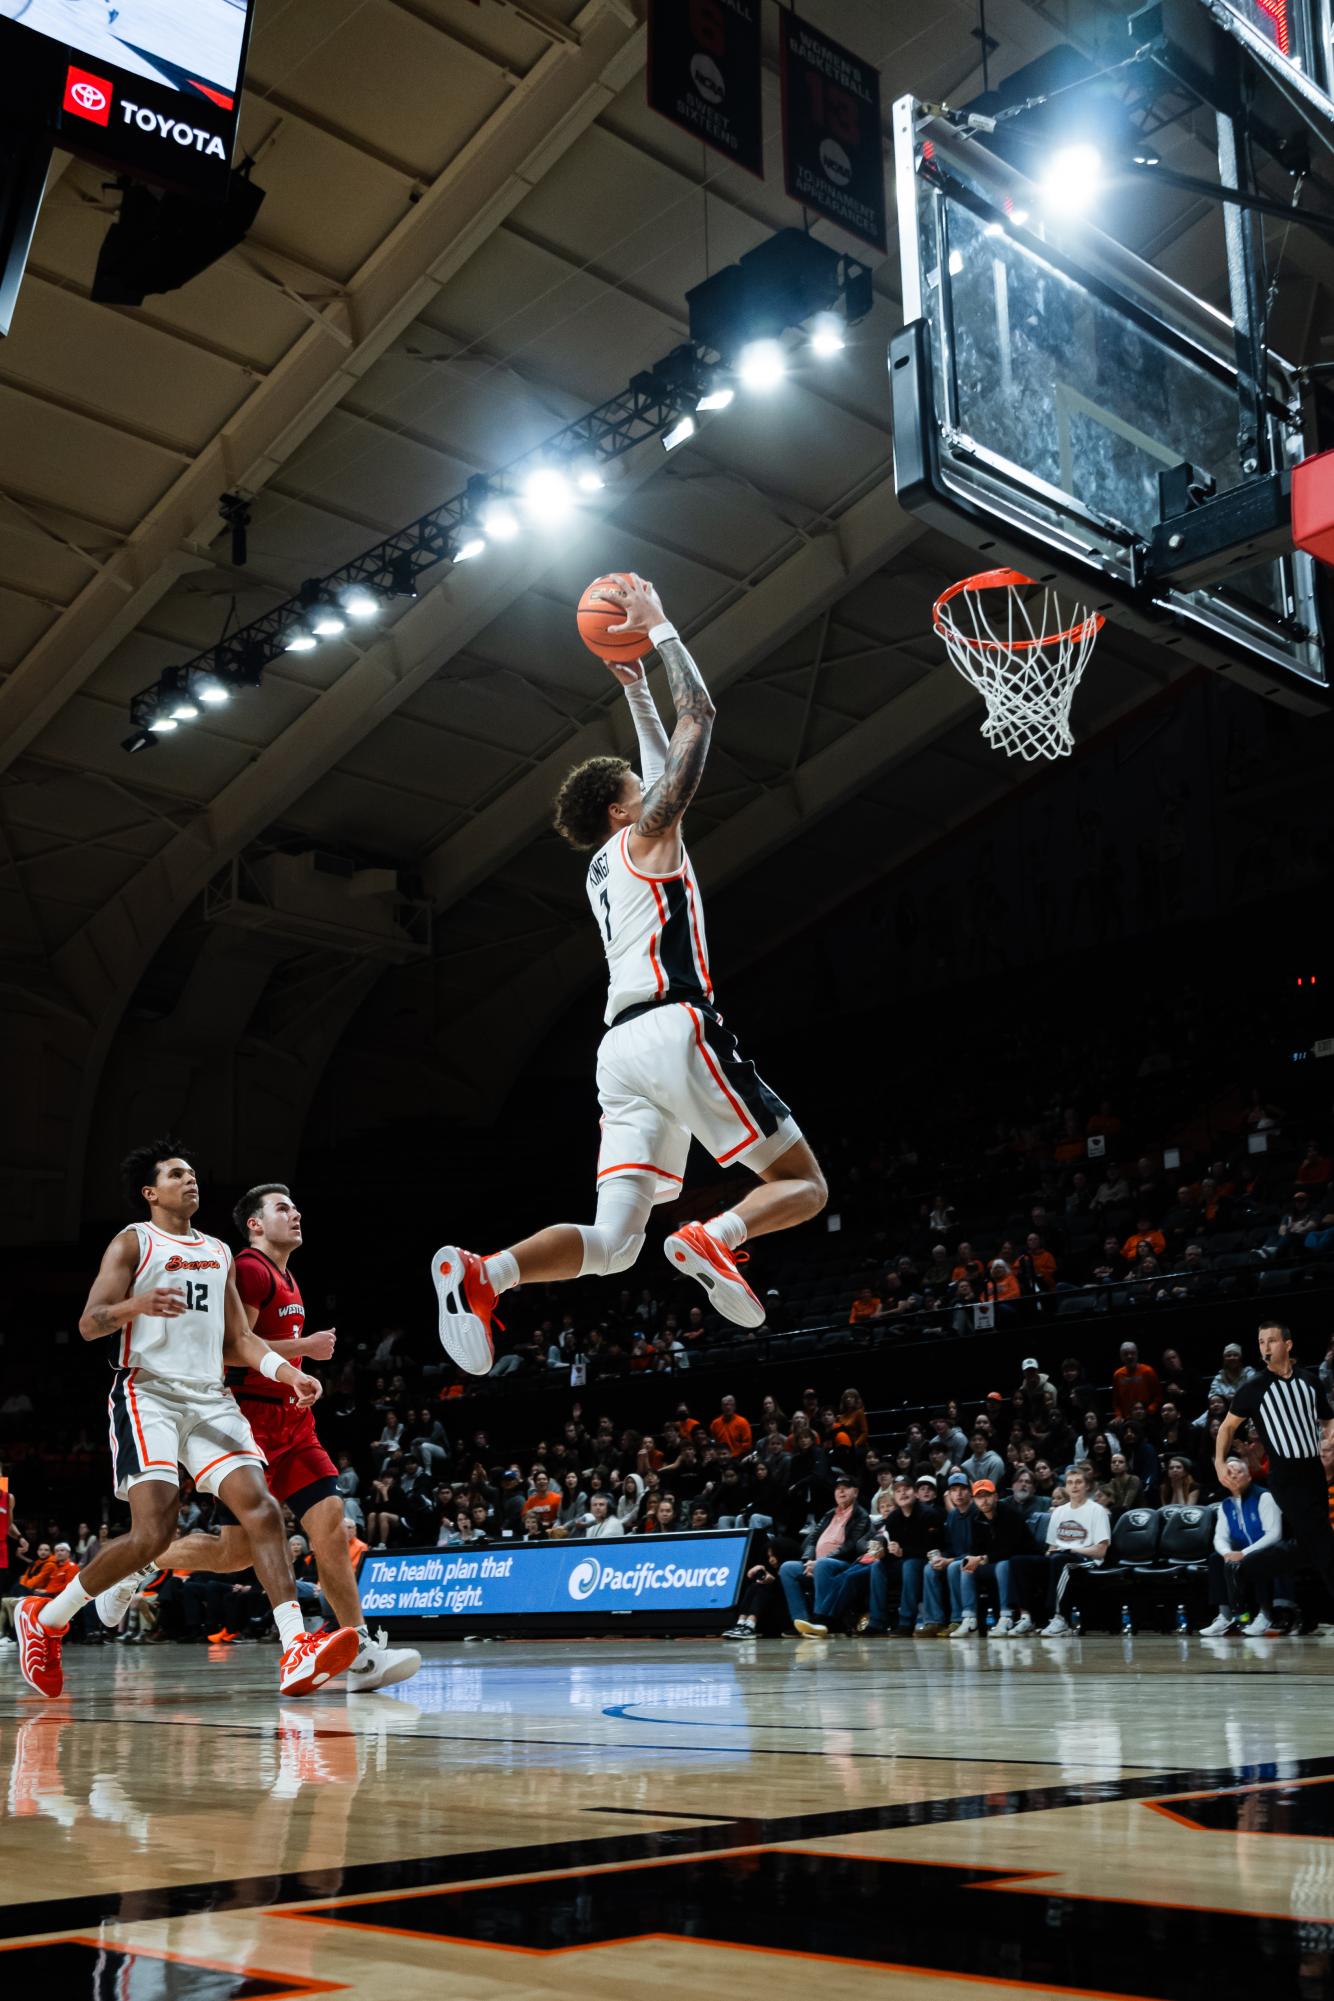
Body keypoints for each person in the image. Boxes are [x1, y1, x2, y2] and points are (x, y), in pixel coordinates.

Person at [430, 576, 827, 1370]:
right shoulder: (649, 836)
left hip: (618, 1050)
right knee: (804, 1183)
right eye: (640, 793)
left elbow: (654, 759)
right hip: (676, 1025)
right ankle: (718, 1236)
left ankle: (485, 1273)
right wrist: (664, 628)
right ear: (624, 810)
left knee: (614, 1244)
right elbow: (701, 719)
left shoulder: (605, 864)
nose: (651, 793)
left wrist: (634, 689)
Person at [14, 1140, 358, 1701]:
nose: (189, 1180)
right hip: (146, 1393)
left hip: (210, 1400)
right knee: (154, 1532)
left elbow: (240, 1340)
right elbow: (89, 1322)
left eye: (193, 1172)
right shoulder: (134, 1241)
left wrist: (286, 1372)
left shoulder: (220, 1251)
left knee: (263, 1511)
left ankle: (295, 1646)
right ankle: (47, 1620)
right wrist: (137, 1306)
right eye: (176, 1174)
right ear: (151, 1192)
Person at [112, 1181, 419, 1693]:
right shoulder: (250, 1270)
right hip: (249, 1421)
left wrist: (299, 1375)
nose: (295, 1214)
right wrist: (307, 1347)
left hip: (293, 1424)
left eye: (296, 1206)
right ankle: (142, 1556)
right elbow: (230, 1349)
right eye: (282, 1208)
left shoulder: (286, 1275)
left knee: (331, 1526)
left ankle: (359, 1649)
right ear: (255, 1224)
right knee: (233, 1554)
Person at [1215, 1320, 1334, 1613]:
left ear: (1287, 1344)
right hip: (1286, 1476)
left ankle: (1242, 1571)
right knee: (1325, 1544)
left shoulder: (1309, 1381)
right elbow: (1227, 1428)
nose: (1265, 1347)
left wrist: (1330, 1435)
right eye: (1261, 1342)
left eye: (1271, 1340)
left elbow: (1327, 1419)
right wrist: (1218, 1462)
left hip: (1314, 1471)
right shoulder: (1253, 1388)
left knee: (1308, 1548)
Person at [1015, 1463, 1111, 1638]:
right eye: (1070, 1482)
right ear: (1066, 1486)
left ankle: (1061, 1619)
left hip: (1087, 1560)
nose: (1074, 1486)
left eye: (1078, 1482)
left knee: (1061, 1561)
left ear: (1087, 1486)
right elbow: (1051, 1546)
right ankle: (1027, 1617)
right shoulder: (1058, 1512)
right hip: (1060, 1557)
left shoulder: (1097, 1511)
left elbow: (1101, 1551)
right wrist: (1051, 1553)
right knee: (1021, 1562)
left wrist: (1073, 1549)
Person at [1201, 1453, 1288, 1637]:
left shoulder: (1264, 1497)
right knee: (1216, 1559)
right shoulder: (1225, 1504)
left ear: (1248, 1475)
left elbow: (1274, 1534)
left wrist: (1244, 1553)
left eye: (1238, 1472)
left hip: (1268, 1551)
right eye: (1229, 1473)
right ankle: (1226, 1616)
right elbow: (1220, 1538)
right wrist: (1227, 1553)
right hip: (1240, 1554)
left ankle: (1265, 1614)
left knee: (1258, 1558)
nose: (1234, 1476)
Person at [776, 1473, 871, 1636]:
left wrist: (820, 1561)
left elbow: (850, 1546)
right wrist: (807, 1561)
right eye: (838, 1489)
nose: (841, 1492)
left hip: (843, 1563)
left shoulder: (861, 1515)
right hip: (817, 1563)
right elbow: (812, 1540)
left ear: (855, 1492)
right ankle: (802, 1622)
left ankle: (821, 1620)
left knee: (822, 1565)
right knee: (787, 1568)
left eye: (845, 1489)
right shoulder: (829, 1514)